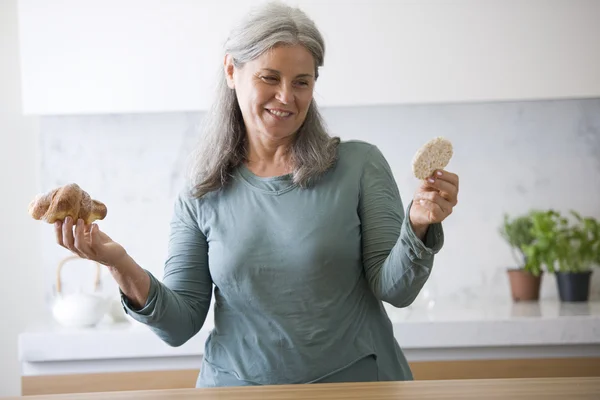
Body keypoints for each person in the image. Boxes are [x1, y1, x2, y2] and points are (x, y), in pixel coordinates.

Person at [55, 1, 459, 388]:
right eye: (270, 77)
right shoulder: (201, 192)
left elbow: (397, 290)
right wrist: (118, 262)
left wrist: (418, 225)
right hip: (235, 388)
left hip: (356, 385)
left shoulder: (359, 166)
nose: (287, 96)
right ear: (232, 70)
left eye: (302, 82)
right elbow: (180, 325)